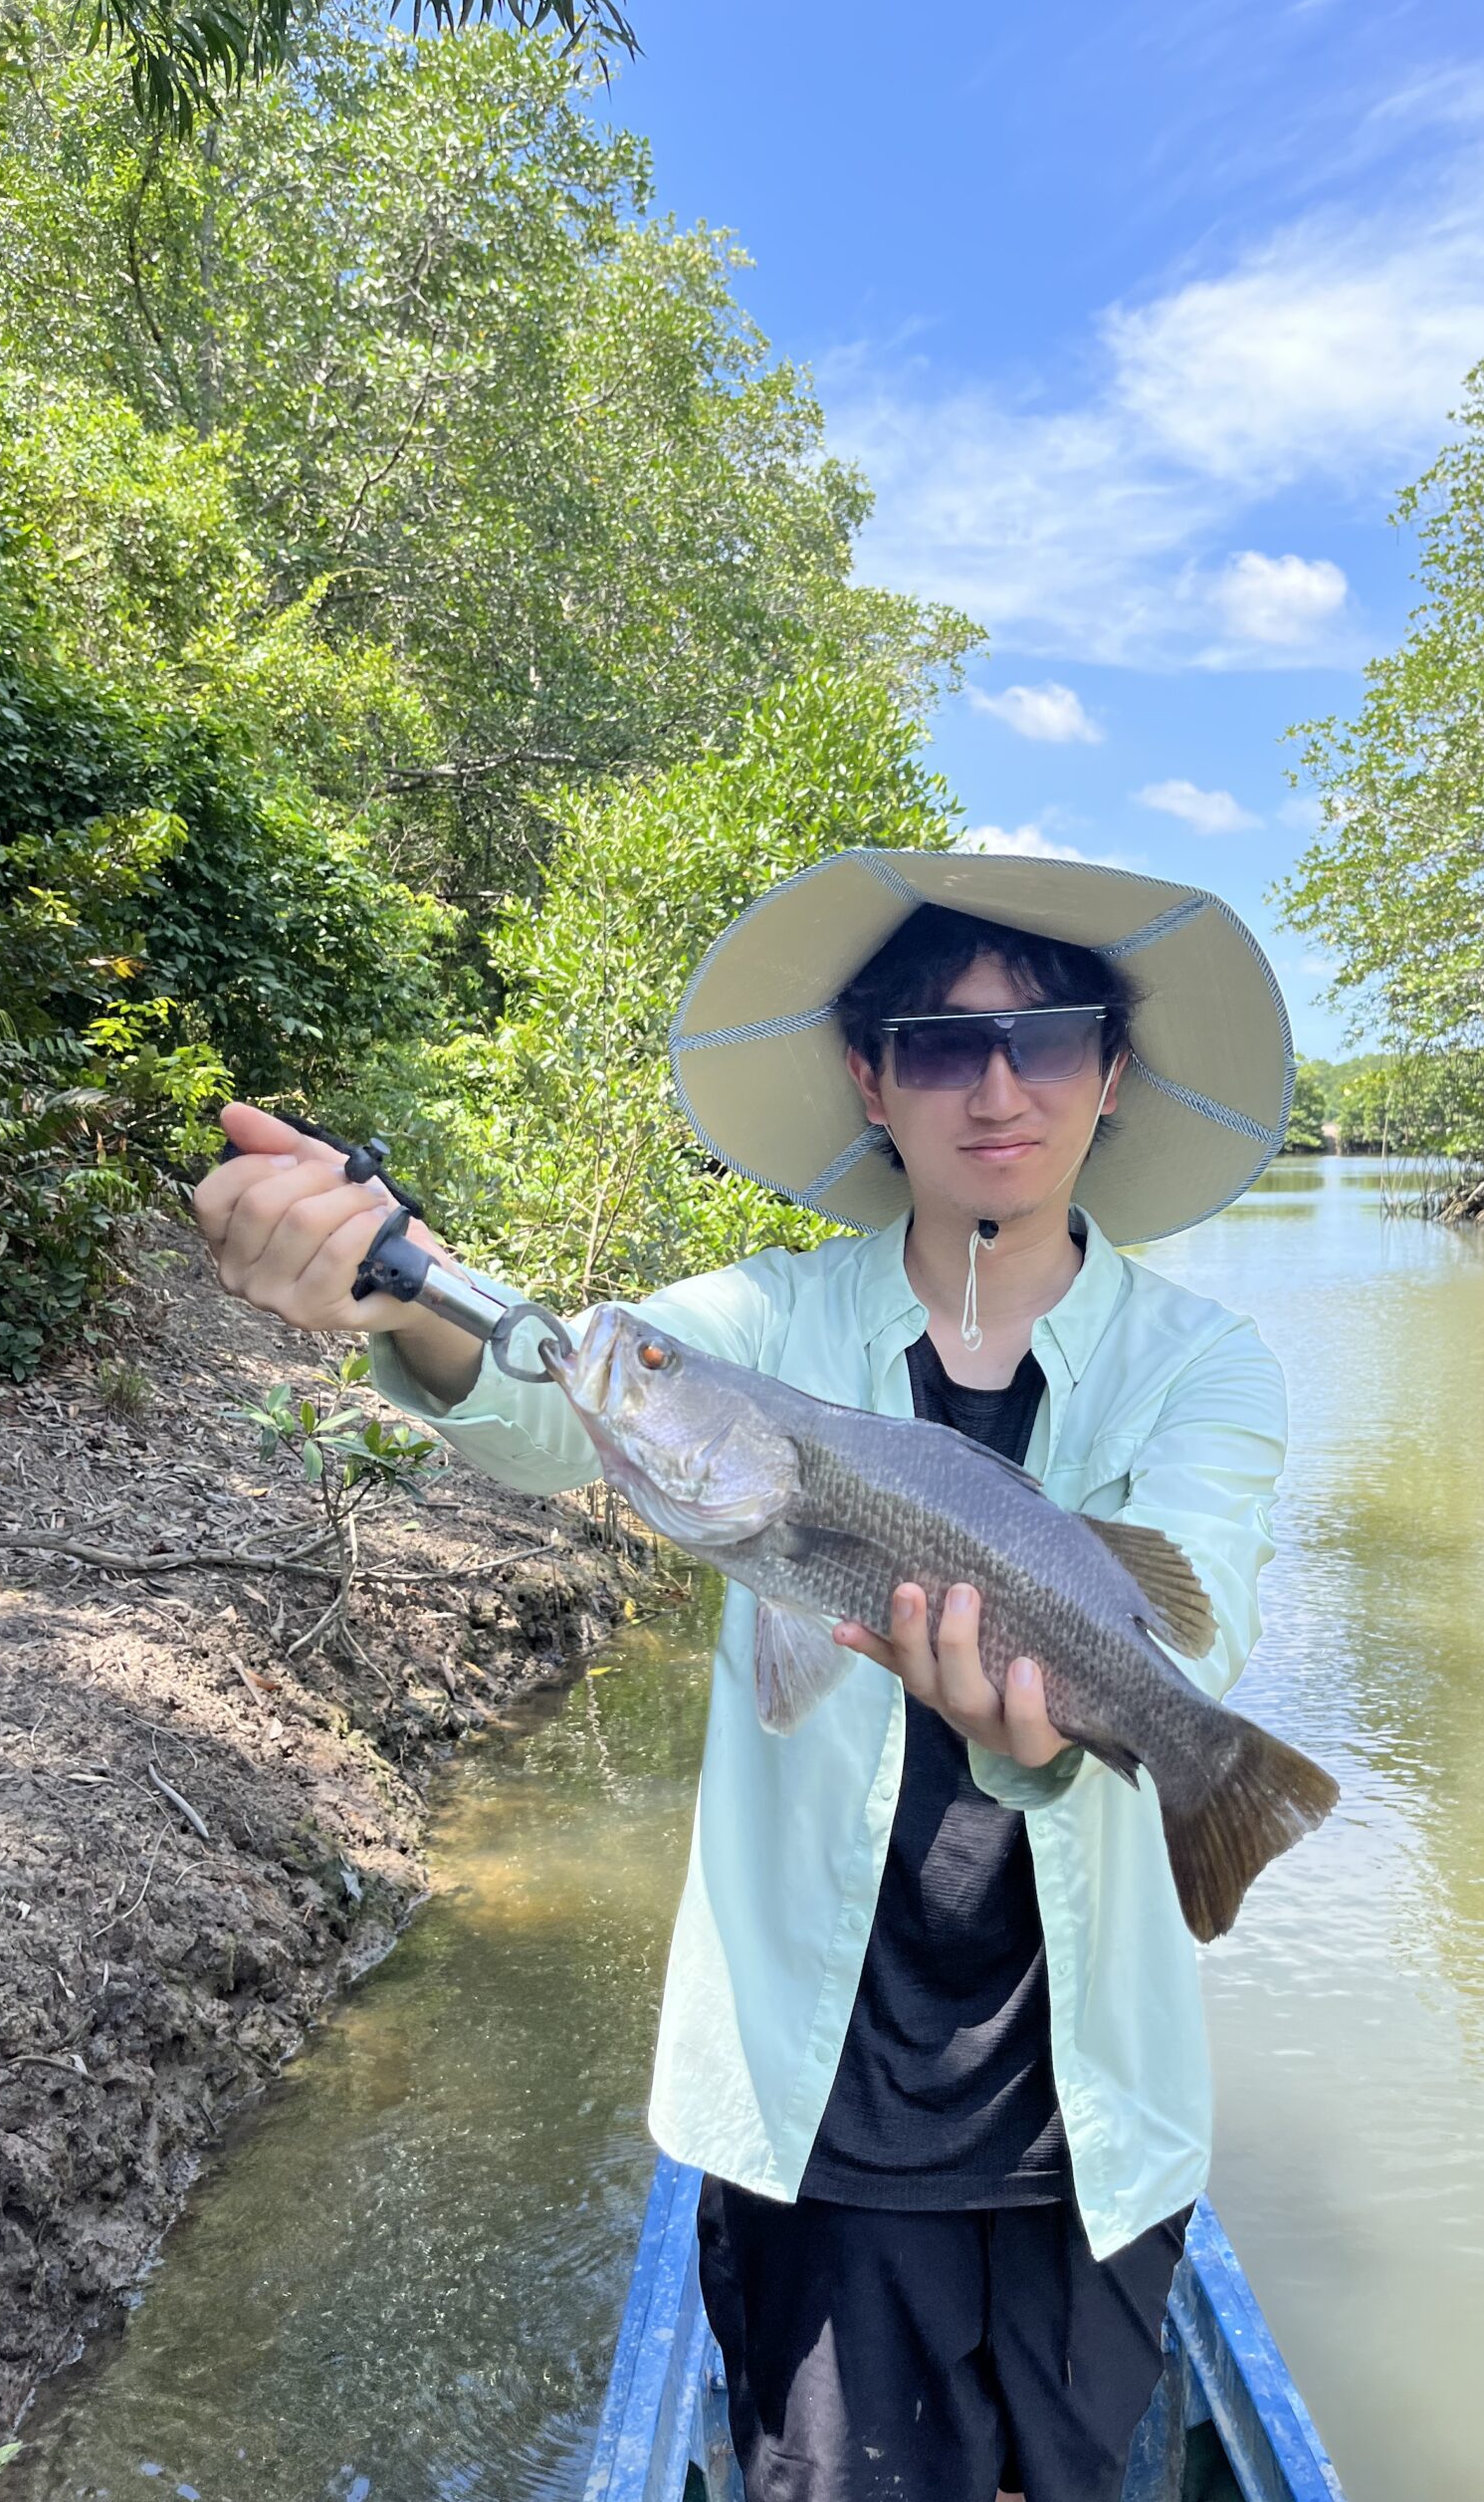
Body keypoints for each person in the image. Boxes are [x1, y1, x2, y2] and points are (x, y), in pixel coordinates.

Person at [194, 848, 1300, 2502]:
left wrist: (1066, 1734)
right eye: (937, 1043)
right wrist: (391, 1294)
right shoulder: (756, 1330)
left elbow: (1198, 1630)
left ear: (1112, 1073)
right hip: (822, 2107)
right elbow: (535, 1400)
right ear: (871, 1079)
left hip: (1094, 2123)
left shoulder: (1206, 1362)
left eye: (1047, 1036)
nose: (994, 1085)